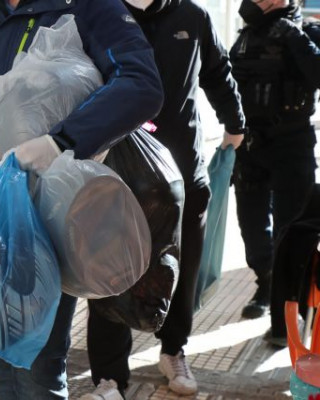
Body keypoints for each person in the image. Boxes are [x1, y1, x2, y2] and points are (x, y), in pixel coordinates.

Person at [0, 0, 164, 398]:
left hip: (48, 214)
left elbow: (141, 83)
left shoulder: (87, 6)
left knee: (38, 364)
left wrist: (62, 140)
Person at [82, 0, 246, 397]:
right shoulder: (98, 12)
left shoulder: (192, 17)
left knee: (182, 267)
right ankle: (109, 375)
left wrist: (235, 123)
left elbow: (218, 72)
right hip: (115, 169)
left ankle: (173, 349)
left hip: (182, 171)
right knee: (109, 270)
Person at [229, 0, 320, 338]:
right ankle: (267, 282)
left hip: (292, 145)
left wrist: (295, 37)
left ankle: (285, 318)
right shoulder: (245, 36)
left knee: (290, 231)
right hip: (251, 147)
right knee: (251, 227)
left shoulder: (306, 31)